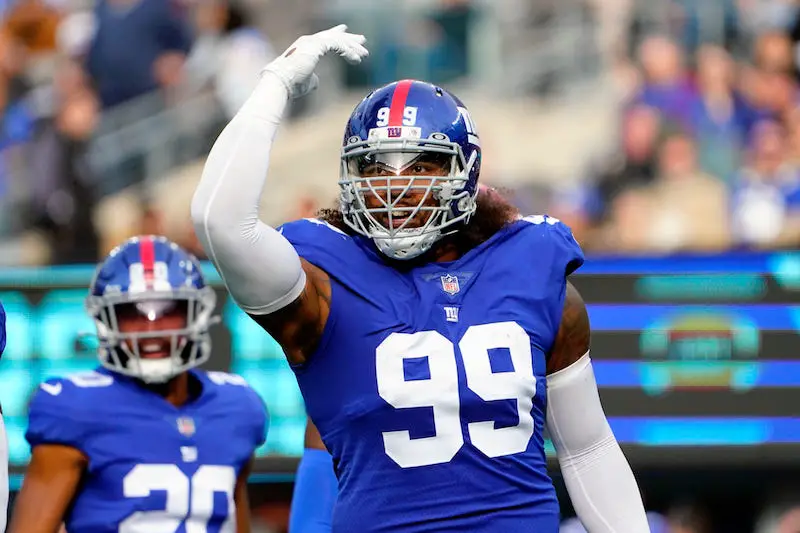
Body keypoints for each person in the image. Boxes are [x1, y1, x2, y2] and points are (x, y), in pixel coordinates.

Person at [191, 25, 649, 532]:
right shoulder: (324, 283)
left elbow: (588, 448)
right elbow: (220, 220)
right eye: (375, 168)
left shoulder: (531, 266)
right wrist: (275, 82)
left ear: (465, 173)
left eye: (421, 166)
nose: (396, 187)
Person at [9, 235, 267, 533]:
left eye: (168, 310)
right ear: (107, 319)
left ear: (196, 314)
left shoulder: (237, 407)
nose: (151, 329)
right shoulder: (77, 409)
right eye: (133, 313)